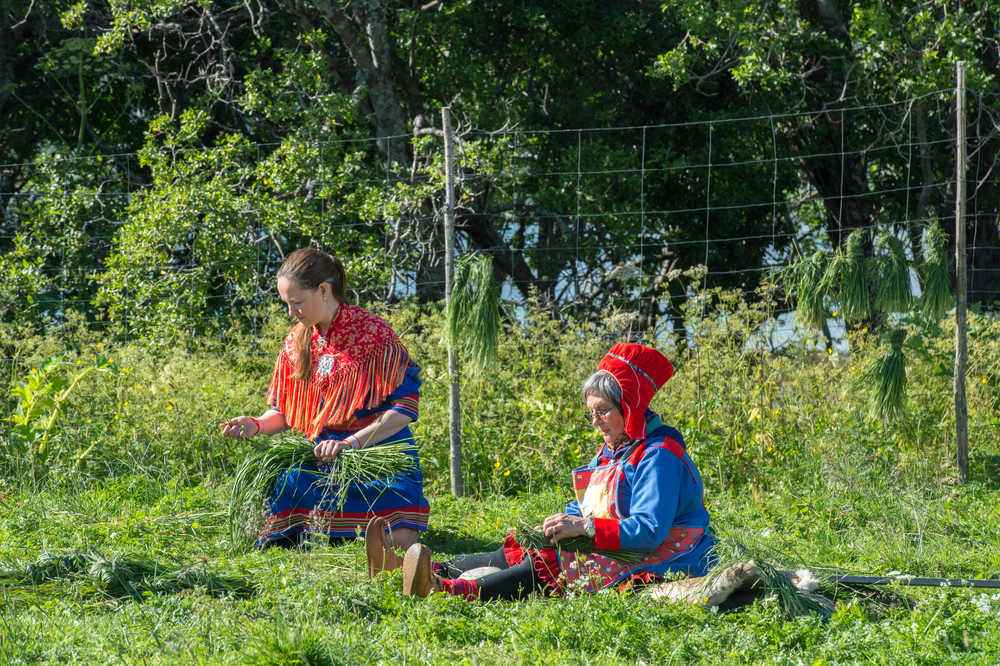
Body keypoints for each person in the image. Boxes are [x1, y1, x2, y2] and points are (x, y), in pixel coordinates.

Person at [370, 342, 714, 601]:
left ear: (631, 407)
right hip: (620, 540)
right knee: (528, 546)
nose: (595, 422)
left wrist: (585, 528)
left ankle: (446, 589)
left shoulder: (659, 455)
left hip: (666, 552)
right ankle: (408, 570)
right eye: (591, 414)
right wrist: (562, 522)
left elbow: (650, 531)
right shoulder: (615, 448)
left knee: (553, 562)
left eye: (603, 412)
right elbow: (589, 504)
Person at [221, 248, 429, 554]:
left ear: (323, 290)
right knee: (286, 481)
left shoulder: (376, 336)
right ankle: (329, 533)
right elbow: (286, 413)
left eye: (297, 302)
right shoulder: (297, 341)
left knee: (399, 541)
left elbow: (404, 410)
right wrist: (256, 425)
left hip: (378, 455)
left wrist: (351, 444)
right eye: (287, 304)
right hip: (324, 458)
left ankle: (330, 532)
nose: (291, 313)